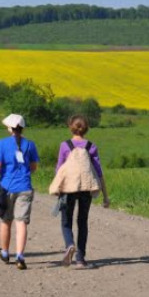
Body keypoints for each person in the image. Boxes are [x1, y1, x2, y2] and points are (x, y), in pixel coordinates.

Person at [49, 115, 110, 269]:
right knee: (82, 222)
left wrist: (57, 188)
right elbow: (98, 172)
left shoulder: (65, 145)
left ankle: (69, 244)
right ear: (86, 129)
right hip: (86, 188)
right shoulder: (91, 146)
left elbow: (59, 169)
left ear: (71, 127)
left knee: (66, 221)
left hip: (69, 188)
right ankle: (81, 259)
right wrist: (105, 196)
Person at [0, 114, 39, 270]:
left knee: (6, 221)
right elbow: (34, 167)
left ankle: (5, 252)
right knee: (21, 222)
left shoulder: (2, 144)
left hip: (6, 188)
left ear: (9, 128)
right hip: (25, 188)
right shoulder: (30, 144)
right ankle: (20, 256)